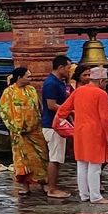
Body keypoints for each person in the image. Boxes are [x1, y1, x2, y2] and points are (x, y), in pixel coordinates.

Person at [0, 68, 65, 199]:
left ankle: (43, 183)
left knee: (41, 157)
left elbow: (39, 107)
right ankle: (25, 185)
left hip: (35, 130)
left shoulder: (32, 90)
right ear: (19, 78)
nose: (30, 79)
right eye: (27, 77)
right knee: (22, 161)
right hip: (19, 133)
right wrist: (14, 126)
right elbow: (3, 109)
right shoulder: (9, 92)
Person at [55, 66, 108, 203]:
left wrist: (57, 124)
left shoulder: (78, 91)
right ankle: (96, 196)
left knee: (82, 164)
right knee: (95, 165)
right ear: (101, 80)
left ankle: (84, 195)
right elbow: (106, 118)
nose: (106, 84)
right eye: (106, 81)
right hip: (95, 132)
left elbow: (63, 109)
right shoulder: (101, 94)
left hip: (79, 131)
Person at [39, 56, 74, 200]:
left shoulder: (59, 82)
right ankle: (52, 189)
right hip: (52, 125)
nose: (69, 70)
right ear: (60, 68)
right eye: (67, 67)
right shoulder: (51, 84)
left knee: (58, 157)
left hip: (58, 123)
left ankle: (52, 185)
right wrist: (70, 110)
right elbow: (51, 105)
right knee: (55, 158)